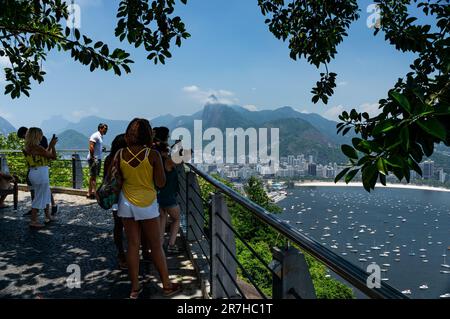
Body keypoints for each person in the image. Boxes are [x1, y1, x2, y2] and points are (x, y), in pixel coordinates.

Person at [117, 118, 181, 299]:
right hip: (147, 203)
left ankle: (134, 289)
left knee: (132, 245)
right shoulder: (151, 154)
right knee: (155, 246)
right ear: (147, 134)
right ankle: (167, 285)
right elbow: (161, 183)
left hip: (125, 202)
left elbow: (118, 180)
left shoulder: (120, 154)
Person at [17, 126, 58, 216]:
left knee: (43, 194)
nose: (42, 137)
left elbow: (43, 154)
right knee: (41, 196)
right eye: (40, 135)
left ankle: (47, 216)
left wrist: (50, 147)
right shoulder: (37, 147)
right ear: (36, 136)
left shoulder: (27, 147)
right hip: (40, 172)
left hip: (33, 171)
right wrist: (52, 145)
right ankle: (34, 219)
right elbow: (52, 156)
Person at [103, 133, 127, 270]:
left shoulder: (108, 159)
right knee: (132, 227)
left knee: (118, 226)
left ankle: (121, 254)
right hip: (127, 196)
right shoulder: (125, 159)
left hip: (115, 197)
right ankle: (132, 254)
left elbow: (106, 178)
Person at [156, 142, 181, 254]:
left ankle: (159, 246)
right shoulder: (168, 162)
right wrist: (180, 147)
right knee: (176, 219)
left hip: (158, 196)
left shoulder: (156, 162)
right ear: (162, 152)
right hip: (168, 196)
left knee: (162, 219)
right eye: (166, 151)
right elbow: (184, 157)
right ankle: (171, 244)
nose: (168, 153)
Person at [87, 123, 108, 199]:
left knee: (92, 176)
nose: (106, 130)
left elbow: (96, 147)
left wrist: (101, 149)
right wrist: (93, 158)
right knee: (94, 176)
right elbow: (91, 146)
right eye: (105, 128)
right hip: (94, 159)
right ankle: (95, 194)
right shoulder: (95, 135)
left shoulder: (100, 136)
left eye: (106, 129)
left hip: (97, 158)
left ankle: (89, 193)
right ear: (100, 128)